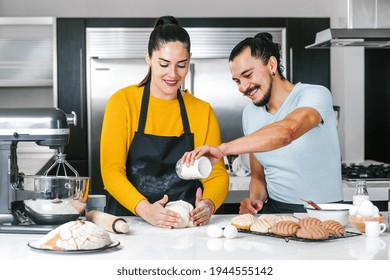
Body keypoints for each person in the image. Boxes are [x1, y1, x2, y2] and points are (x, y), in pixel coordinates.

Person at [181, 32, 343, 214]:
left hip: (324, 213)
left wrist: (223, 149)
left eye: (248, 75)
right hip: (275, 212)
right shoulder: (250, 114)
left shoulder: (315, 95)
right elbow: (259, 175)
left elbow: (287, 132)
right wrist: (255, 200)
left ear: (272, 65)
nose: (243, 87)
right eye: (237, 81)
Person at [100, 16, 229, 228]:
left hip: (184, 226)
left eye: (181, 65)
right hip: (131, 223)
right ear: (148, 58)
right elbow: (111, 171)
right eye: (164, 64)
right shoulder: (122, 102)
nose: (173, 74)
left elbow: (216, 174)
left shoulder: (202, 111)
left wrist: (209, 204)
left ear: (189, 61)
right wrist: (145, 209)